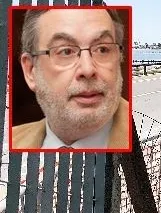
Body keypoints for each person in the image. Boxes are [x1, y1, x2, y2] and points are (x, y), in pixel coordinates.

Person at [11, 8, 130, 150]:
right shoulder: (11, 142)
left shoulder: (144, 131)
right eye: (66, 51)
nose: (87, 69)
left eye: (102, 49)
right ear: (31, 71)